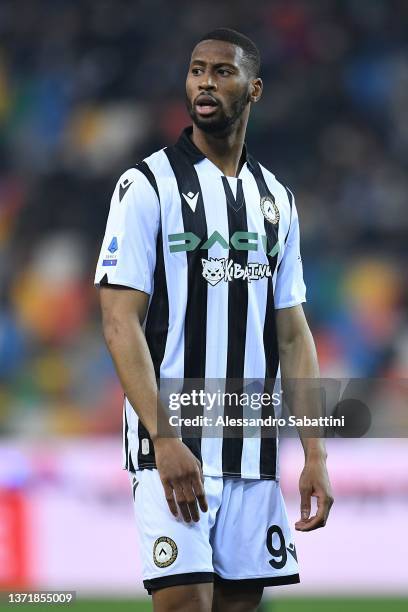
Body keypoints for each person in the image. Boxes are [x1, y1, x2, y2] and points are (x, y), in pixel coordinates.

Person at [95, 28, 333, 612]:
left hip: (251, 444)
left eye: (222, 72)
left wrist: (315, 453)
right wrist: (164, 437)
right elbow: (119, 321)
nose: (205, 82)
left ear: (253, 89)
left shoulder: (276, 198)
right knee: (184, 605)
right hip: (172, 440)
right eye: (197, 70)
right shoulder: (146, 185)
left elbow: (292, 333)